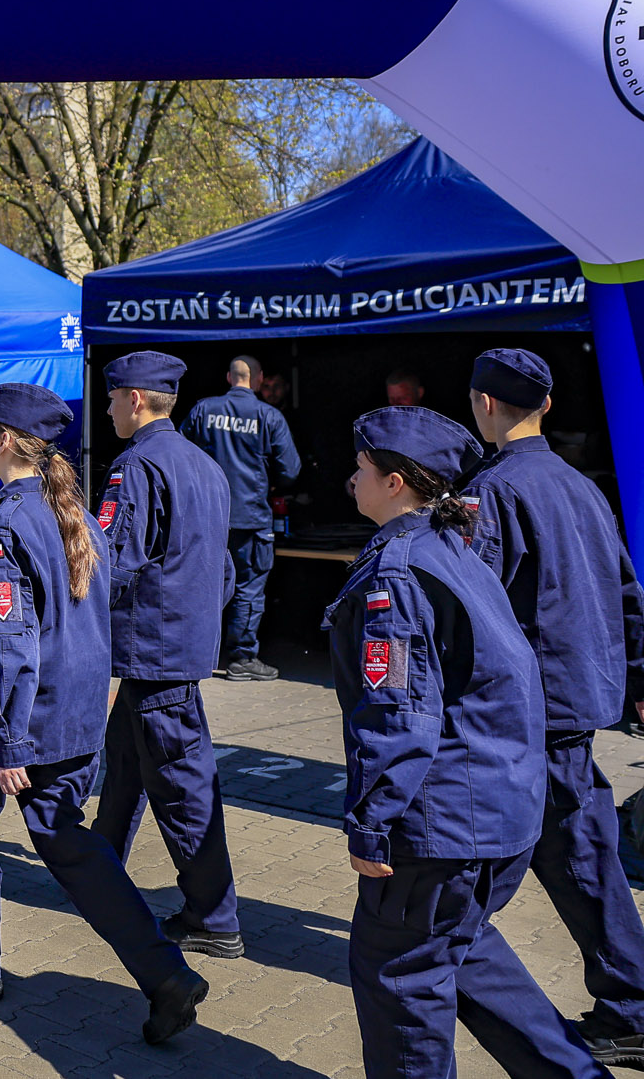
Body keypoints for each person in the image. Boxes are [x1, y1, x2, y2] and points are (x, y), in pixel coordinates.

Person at [0, 383, 207, 1047]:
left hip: (8, 719)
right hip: (73, 718)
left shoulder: (9, 525)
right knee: (73, 845)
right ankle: (165, 971)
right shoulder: (71, 511)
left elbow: (14, 645)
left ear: (7, 441)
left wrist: (9, 741)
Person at [332, 405, 605, 1079]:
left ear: (396, 482)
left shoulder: (398, 568)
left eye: (362, 467)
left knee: (398, 975)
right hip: (496, 814)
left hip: (443, 826)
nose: (350, 479)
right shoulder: (449, 546)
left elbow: (398, 710)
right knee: (463, 948)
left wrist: (371, 822)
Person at [462, 348, 644, 1068]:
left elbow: (475, 607)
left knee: (481, 875)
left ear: (484, 404)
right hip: (581, 699)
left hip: (532, 712)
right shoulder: (581, 485)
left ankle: (445, 958)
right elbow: (628, 590)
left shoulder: (494, 490)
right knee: (584, 853)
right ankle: (630, 999)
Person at [91, 353, 242, 959]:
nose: (105, 410)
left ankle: (214, 915)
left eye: (110, 399)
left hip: (154, 652)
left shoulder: (136, 465)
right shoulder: (204, 464)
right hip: (172, 648)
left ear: (133, 400)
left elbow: (113, 562)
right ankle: (98, 874)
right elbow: (223, 568)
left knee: (181, 788)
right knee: (126, 769)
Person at [183, 355, 300, 681]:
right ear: (259, 379)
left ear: (228, 377)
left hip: (206, 517)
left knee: (201, 584)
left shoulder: (202, 410)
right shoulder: (269, 415)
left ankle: (195, 652)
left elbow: (181, 456)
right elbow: (291, 469)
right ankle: (242, 658)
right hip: (251, 517)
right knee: (248, 588)